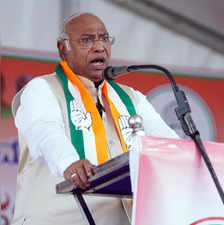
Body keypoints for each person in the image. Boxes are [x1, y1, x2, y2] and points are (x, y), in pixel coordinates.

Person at [11, 12, 178, 225]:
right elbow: (45, 131)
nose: (99, 47)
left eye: (104, 38)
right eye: (87, 40)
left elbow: (169, 144)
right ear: (63, 48)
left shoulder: (131, 98)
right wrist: (69, 162)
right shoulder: (42, 89)